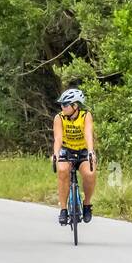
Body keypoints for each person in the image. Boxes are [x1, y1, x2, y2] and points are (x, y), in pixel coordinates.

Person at [51, 87, 97, 224]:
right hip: (67, 149)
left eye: (65, 104)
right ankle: (64, 210)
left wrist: (90, 151)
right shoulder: (59, 118)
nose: (62, 107)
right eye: (62, 104)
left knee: (90, 173)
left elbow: (88, 134)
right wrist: (55, 154)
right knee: (63, 171)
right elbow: (58, 138)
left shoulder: (85, 116)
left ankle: (87, 204)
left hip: (83, 150)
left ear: (75, 106)